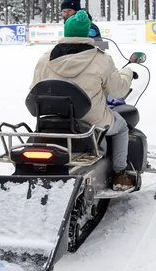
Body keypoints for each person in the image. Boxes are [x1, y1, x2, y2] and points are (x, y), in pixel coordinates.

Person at [30, 10, 136, 188]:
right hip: (91, 121)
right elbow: (118, 91)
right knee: (122, 127)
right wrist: (128, 73)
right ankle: (119, 174)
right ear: (87, 33)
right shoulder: (102, 60)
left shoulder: (45, 59)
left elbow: (34, 89)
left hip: (51, 120)